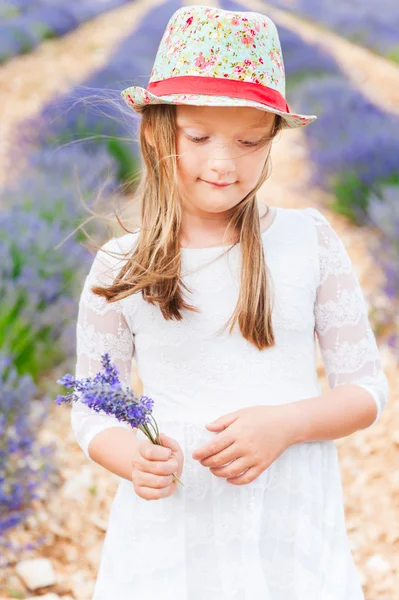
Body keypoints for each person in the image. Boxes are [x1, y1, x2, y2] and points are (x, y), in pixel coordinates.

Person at [70, 5, 389, 599]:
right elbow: (89, 411)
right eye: (199, 137)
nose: (223, 161)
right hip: (172, 525)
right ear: (156, 131)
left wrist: (287, 425)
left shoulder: (307, 240)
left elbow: (366, 390)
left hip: (287, 516)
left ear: (273, 140)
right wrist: (131, 458)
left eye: (248, 141)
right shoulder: (120, 264)